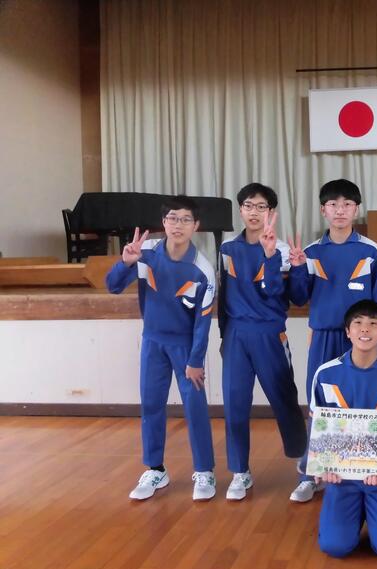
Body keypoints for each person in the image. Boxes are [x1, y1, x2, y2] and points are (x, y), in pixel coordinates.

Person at [105, 196, 216, 501]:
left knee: (195, 408)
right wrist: (126, 262)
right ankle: (155, 469)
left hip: (186, 347)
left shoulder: (202, 269)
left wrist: (195, 360)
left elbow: (203, 321)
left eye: (185, 219)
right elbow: (113, 286)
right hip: (152, 343)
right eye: (172, 218)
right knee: (151, 405)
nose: (178, 225)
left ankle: (204, 471)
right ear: (164, 222)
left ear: (195, 226)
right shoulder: (147, 252)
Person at [288, 179, 377, 502]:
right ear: (323, 210)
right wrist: (298, 268)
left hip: (362, 340)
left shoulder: (370, 250)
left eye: (347, 204)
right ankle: (311, 473)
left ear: (356, 209)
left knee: (363, 401)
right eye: (333, 204)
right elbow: (299, 297)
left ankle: (365, 466)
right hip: (324, 337)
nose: (340, 210)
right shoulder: (311, 252)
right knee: (319, 404)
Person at [217, 183, 307, 501]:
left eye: (261, 207)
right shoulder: (228, 248)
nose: (254, 212)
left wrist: (269, 256)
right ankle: (239, 471)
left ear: (271, 212)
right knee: (235, 404)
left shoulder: (280, 249)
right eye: (248, 206)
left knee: (284, 400)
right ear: (240, 210)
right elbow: (224, 296)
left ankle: (305, 467)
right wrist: (224, 337)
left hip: (269, 333)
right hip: (236, 335)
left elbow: (278, 294)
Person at [311, 300, 377, 559]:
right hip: (342, 477)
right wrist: (323, 465)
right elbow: (317, 425)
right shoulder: (325, 374)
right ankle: (353, 511)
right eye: (357, 323)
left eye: (373, 323)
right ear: (347, 331)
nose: (365, 329)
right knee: (334, 546)